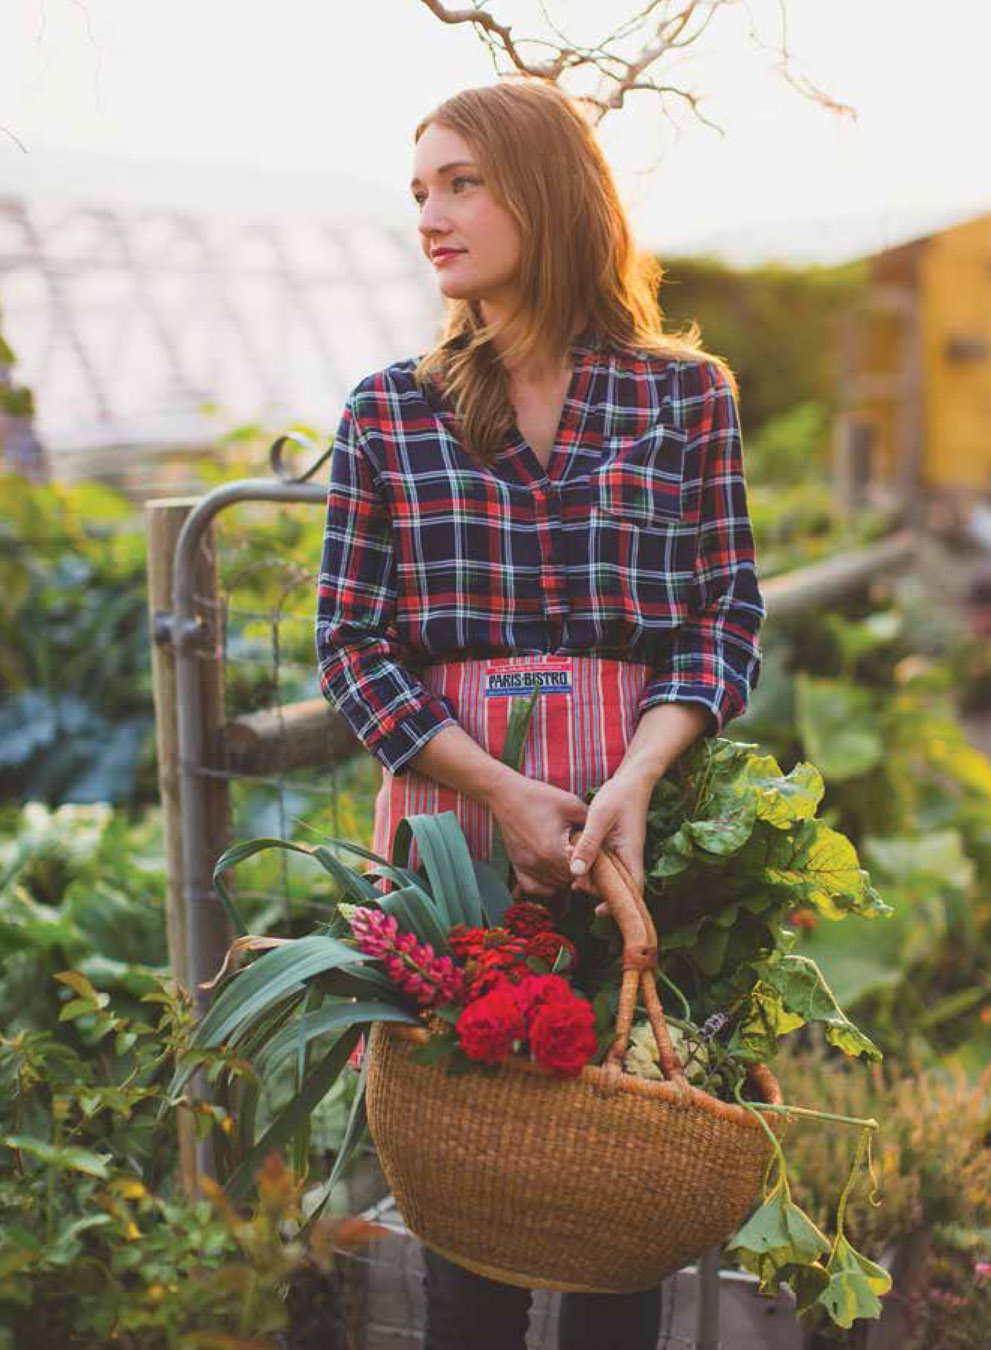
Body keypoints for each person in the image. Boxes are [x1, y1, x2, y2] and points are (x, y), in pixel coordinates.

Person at [314, 77, 765, 1350]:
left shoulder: (683, 397)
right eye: (419, 193)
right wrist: (503, 792)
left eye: (461, 184)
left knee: (623, 1195)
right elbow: (350, 645)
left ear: (547, 191)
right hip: (458, 841)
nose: (431, 218)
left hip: (633, 819)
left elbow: (724, 616)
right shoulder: (389, 411)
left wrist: (635, 778)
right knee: (469, 1207)